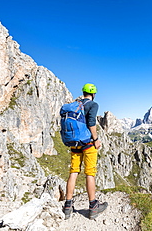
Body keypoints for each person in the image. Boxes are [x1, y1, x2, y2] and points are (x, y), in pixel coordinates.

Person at [62, 83, 108, 220]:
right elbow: (91, 123)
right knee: (90, 173)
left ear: (83, 92)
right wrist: (96, 139)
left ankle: (67, 206)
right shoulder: (93, 105)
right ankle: (93, 206)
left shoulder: (76, 104)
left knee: (74, 171)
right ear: (93, 94)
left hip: (74, 144)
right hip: (87, 143)